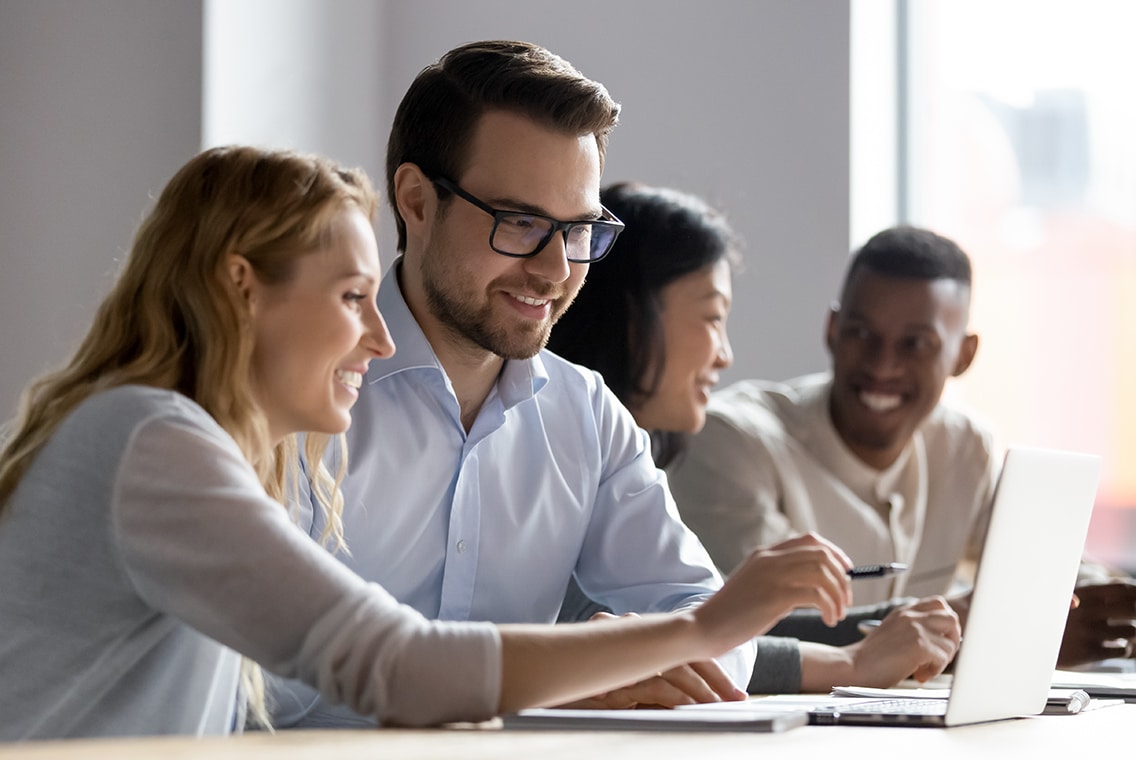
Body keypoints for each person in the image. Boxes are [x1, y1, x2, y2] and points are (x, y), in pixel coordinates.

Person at [0, 146, 857, 744]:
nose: (380, 341)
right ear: (241, 288)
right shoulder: (150, 439)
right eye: (350, 298)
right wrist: (706, 626)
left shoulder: (181, 442)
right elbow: (398, 666)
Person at [267, 40, 835, 727]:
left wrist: (614, 661)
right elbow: (256, 679)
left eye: (578, 231)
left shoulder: (587, 414)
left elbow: (711, 624)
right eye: (522, 223)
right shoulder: (290, 397)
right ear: (416, 201)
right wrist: (550, 678)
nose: (556, 270)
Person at [547, 182, 961, 694]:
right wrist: (853, 662)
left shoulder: (627, 454)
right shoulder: (554, 447)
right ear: (633, 318)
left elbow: (694, 629)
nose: (725, 355)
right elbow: (654, 637)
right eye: (713, 318)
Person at [666, 224, 1136, 668]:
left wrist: (1091, 603)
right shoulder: (732, 441)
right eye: (861, 334)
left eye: (915, 344)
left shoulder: (964, 446)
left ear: (963, 355)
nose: (882, 365)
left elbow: (1049, 564)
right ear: (832, 330)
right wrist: (994, 627)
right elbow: (756, 630)